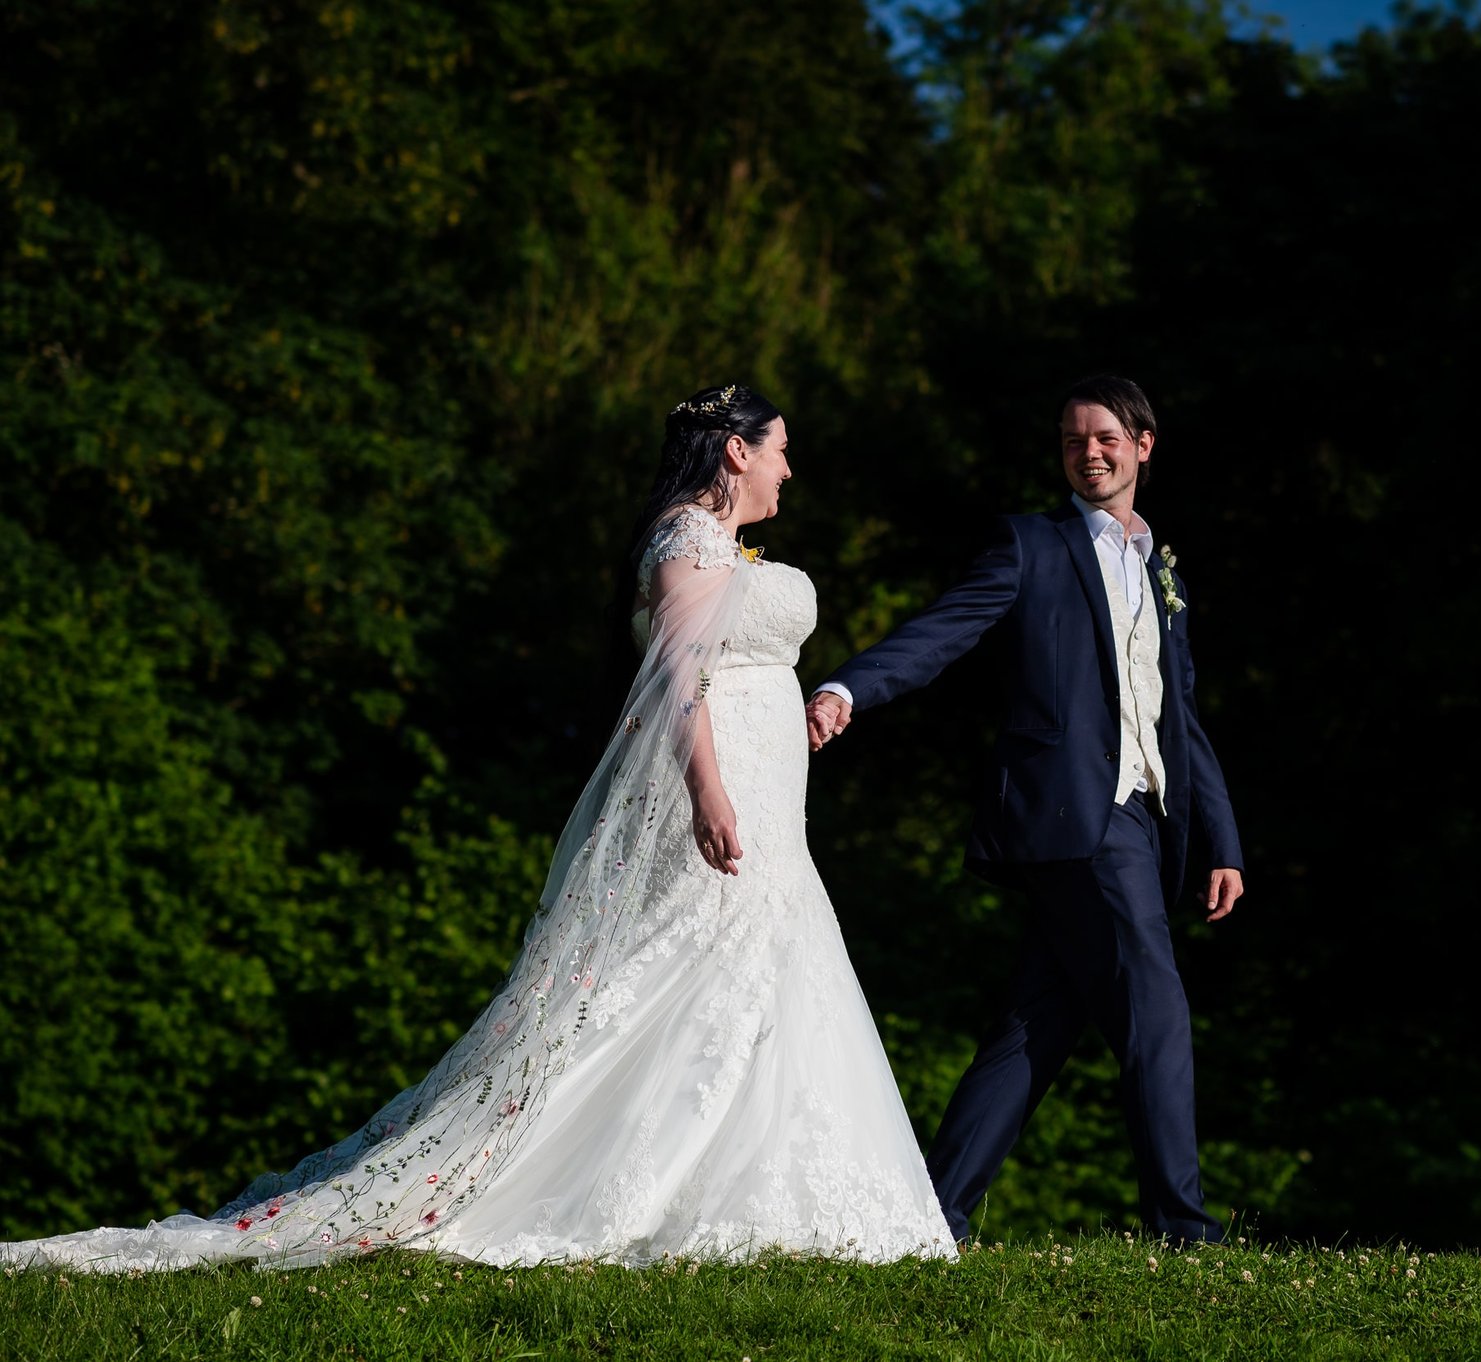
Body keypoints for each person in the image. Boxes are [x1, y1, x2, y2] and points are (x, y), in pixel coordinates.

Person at [1, 385, 953, 1272]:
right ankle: (592, 1173)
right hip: (727, 785)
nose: (791, 470)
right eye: (781, 452)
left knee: (758, 967)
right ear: (737, 451)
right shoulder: (686, 538)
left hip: (773, 791)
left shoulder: (722, 543)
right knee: (682, 964)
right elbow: (678, 677)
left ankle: (773, 1191)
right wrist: (709, 789)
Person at [806, 374, 1245, 1244]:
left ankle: (933, 1219)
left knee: (1034, 1027)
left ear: (1142, 445)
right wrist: (848, 686)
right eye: (1074, 440)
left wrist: (1221, 840)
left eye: (1106, 438)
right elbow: (942, 631)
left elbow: (1178, 713)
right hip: (1074, 818)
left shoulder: (1162, 567)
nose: (1089, 452)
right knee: (1155, 1011)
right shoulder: (1030, 546)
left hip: (1142, 820)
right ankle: (1183, 1228)